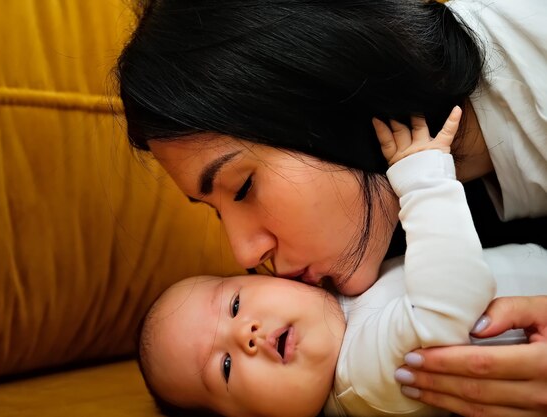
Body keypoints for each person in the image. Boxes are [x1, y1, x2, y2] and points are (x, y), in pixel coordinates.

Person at [117, 0, 547, 413]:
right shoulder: (404, 253)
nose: (245, 255)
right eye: (215, 210)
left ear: (331, 86)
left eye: (243, 187)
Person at [137, 111, 546, 416]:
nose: (247, 335)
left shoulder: (345, 305)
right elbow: (448, 304)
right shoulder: (365, 378)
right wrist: (424, 181)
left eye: (236, 305)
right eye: (225, 367)